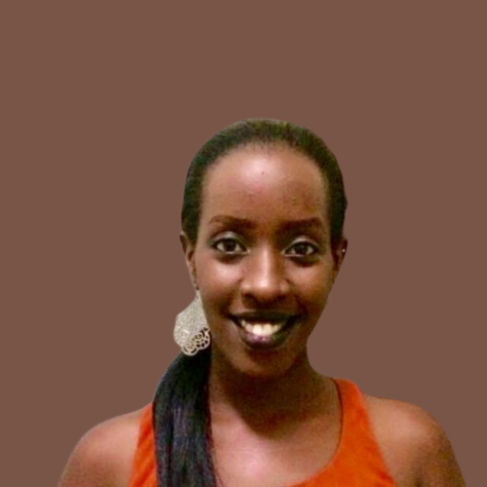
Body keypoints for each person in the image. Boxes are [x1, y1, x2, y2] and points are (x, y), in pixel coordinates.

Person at [58, 119, 466, 487]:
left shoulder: (409, 451)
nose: (266, 285)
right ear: (190, 256)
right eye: (230, 245)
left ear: (337, 259)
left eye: (301, 248)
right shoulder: (110, 463)